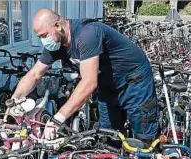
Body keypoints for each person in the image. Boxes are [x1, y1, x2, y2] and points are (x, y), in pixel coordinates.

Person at [10, 9, 159, 141]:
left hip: (134, 80)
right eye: (39, 37)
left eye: (44, 35)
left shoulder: (87, 34)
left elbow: (89, 82)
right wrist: (13, 102)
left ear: (57, 26)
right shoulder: (55, 45)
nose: (44, 41)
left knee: (143, 138)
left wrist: (58, 118)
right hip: (107, 85)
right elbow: (35, 74)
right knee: (108, 135)